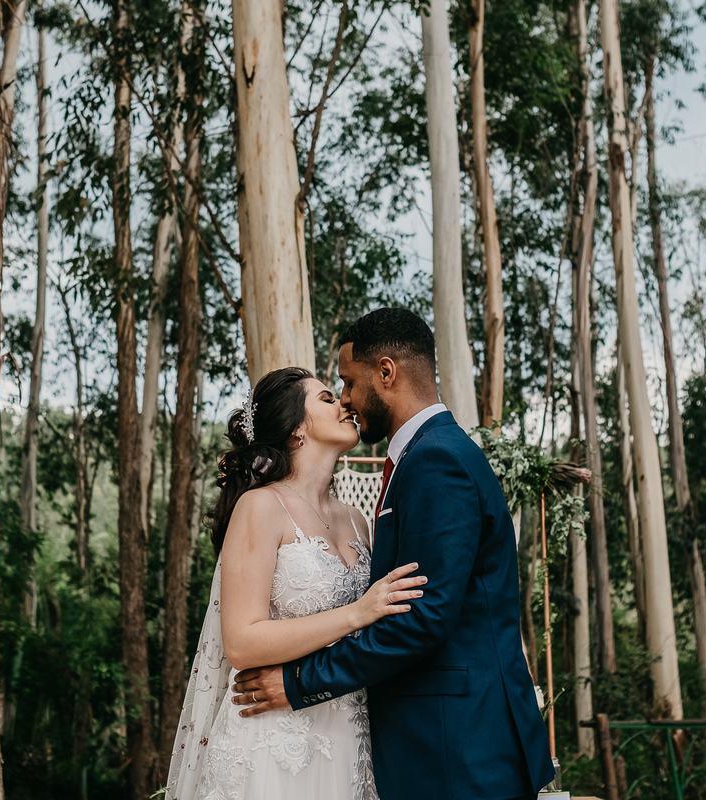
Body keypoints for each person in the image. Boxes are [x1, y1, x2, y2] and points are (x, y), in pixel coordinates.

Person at [230, 308, 554, 800]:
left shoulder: (434, 460)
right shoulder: (422, 457)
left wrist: (298, 684)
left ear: (386, 372)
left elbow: (420, 619)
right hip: (409, 743)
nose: (346, 400)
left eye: (348, 382)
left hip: (455, 745)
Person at [164, 366, 427, 800]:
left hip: (348, 734)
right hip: (273, 739)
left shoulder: (358, 521)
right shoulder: (260, 507)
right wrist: (356, 613)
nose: (344, 403)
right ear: (296, 430)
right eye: (326, 398)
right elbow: (243, 642)